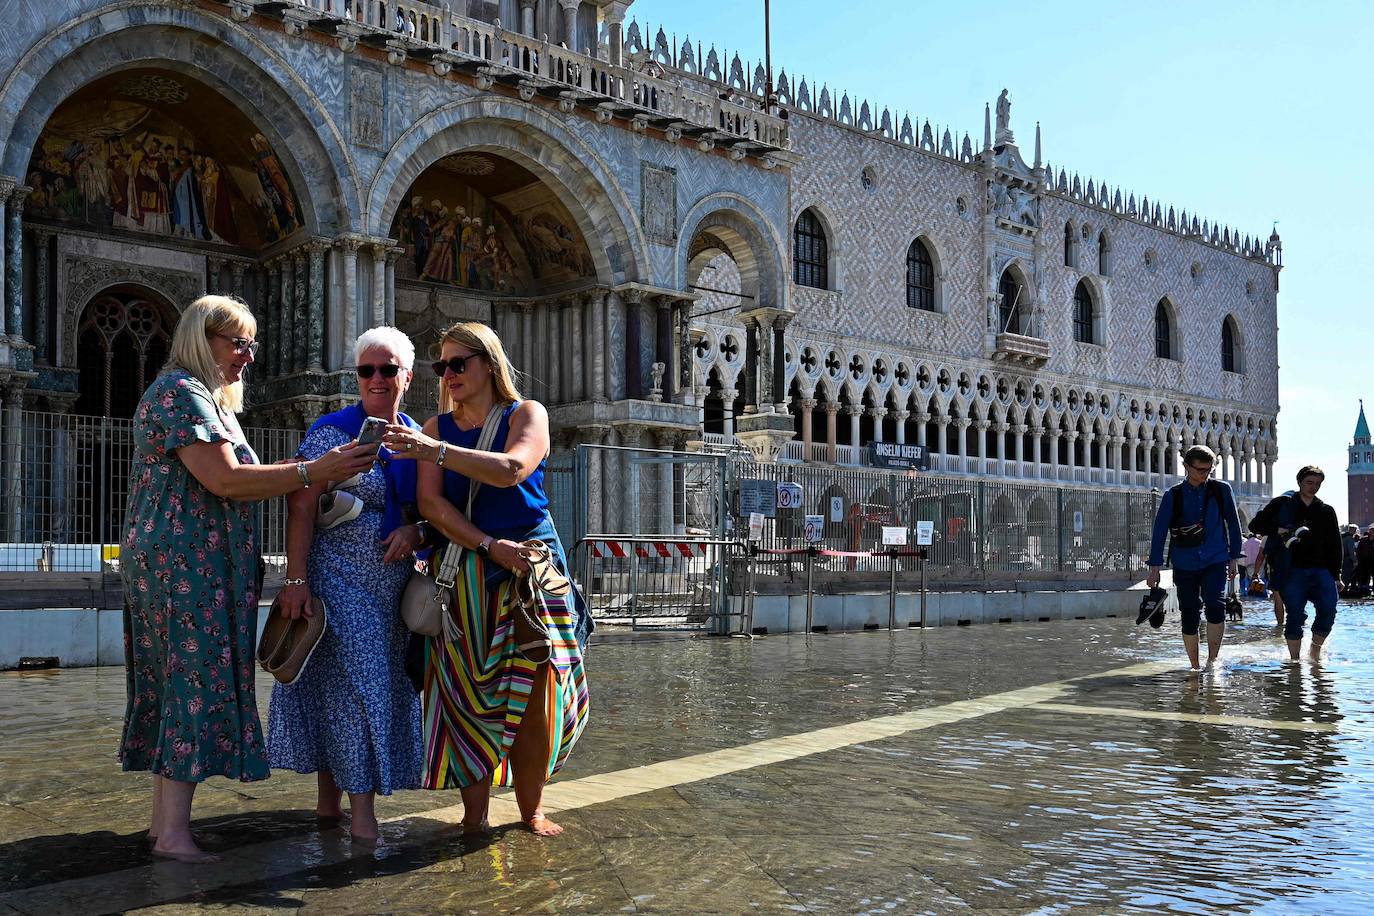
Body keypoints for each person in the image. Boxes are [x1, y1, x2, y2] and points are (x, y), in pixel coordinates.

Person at [119, 295, 376, 864]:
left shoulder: (199, 397)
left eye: (251, 344)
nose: (248, 356)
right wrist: (313, 471)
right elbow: (226, 480)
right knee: (189, 683)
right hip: (187, 566)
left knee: (173, 685)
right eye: (238, 343)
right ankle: (172, 834)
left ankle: (164, 826)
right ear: (201, 338)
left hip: (186, 562)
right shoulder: (182, 393)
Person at [382, 321, 590, 837]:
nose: (448, 374)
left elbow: (512, 468)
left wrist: (437, 454)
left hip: (530, 568)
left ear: (489, 364)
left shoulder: (526, 414)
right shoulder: (435, 428)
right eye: (441, 366)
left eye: (459, 363)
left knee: (538, 689)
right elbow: (430, 504)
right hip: (468, 570)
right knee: (463, 692)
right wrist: (486, 544)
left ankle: (531, 810)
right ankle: (473, 814)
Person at [267, 327, 426, 844]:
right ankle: (363, 816)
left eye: (387, 369)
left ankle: (327, 805)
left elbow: (430, 511)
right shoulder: (332, 430)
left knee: (341, 691)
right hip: (335, 581)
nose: (376, 378)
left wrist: (414, 530)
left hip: (390, 590)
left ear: (407, 374)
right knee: (357, 692)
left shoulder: (415, 438)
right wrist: (296, 578)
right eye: (366, 370)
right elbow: (300, 500)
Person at [1145, 445, 1243, 672]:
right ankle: (1195, 666)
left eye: (1209, 470)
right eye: (1200, 470)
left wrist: (1234, 558)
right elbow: (1160, 532)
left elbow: (1234, 525)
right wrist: (1154, 568)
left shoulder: (1222, 490)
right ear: (1187, 467)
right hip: (1185, 561)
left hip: (1215, 559)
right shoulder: (1173, 496)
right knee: (1189, 611)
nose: (1205, 475)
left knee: (1215, 605)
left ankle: (1212, 661)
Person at [1249, 466, 1343, 660]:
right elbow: (1255, 525)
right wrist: (1279, 529)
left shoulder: (1326, 510)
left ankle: (1315, 652)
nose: (1313, 487)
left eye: (1317, 484)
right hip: (1291, 569)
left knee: (1328, 610)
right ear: (1299, 482)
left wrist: (1337, 575)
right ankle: (1294, 662)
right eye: (1309, 482)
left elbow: (1335, 544)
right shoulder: (1282, 504)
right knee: (1295, 616)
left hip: (1321, 569)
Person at [1355, 527, 1374, 591]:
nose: (1372, 532)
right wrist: (1359, 558)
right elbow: (1358, 550)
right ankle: (1364, 589)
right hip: (1364, 561)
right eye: (1371, 531)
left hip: (1373, 561)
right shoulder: (1363, 540)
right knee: (1364, 575)